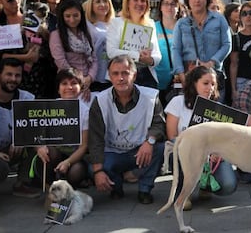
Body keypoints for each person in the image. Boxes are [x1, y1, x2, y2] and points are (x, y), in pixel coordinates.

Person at [88, 55, 165, 203]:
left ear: (134, 75)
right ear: (109, 76)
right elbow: (95, 139)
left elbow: (159, 125)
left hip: (140, 151)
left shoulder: (150, 96)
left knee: (159, 147)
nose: (120, 78)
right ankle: (116, 186)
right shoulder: (100, 100)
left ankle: (145, 189)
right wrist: (98, 171)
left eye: (125, 73)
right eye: (115, 74)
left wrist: (149, 141)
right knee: (93, 169)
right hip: (112, 152)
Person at [165, 66, 237, 210]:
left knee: (228, 185)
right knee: (175, 146)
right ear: (193, 84)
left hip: (210, 156)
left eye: (213, 84)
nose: (210, 88)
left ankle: (205, 185)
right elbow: (172, 136)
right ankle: (183, 192)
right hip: (185, 151)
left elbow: (222, 140)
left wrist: (218, 152)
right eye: (206, 83)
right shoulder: (178, 102)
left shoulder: (217, 108)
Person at [172, 0, 231, 103]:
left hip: (214, 76)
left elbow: (227, 45)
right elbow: (176, 49)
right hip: (190, 77)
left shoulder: (219, 19)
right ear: (187, 0)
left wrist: (211, 62)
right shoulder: (181, 24)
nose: (196, 0)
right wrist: (181, 74)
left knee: (213, 115)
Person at [0, 58, 40, 198]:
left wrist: (22, 139)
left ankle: (22, 184)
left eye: (17, 75)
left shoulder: (28, 98)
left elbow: (35, 127)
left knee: (38, 142)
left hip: (13, 151)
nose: (13, 79)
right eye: (9, 74)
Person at [34, 68, 90, 188]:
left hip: (74, 156)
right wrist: (39, 147)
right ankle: (49, 184)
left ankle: (68, 188)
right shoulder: (49, 108)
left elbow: (84, 146)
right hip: (55, 154)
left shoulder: (85, 112)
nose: (69, 87)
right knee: (50, 153)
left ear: (80, 88)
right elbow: (37, 136)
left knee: (77, 172)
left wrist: (68, 162)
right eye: (64, 83)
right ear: (58, 89)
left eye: (74, 83)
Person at [106, 0, 161, 89]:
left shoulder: (150, 24)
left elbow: (157, 55)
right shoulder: (116, 23)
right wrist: (137, 55)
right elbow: (111, 52)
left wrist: (150, 60)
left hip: (146, 77)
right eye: (135, 0)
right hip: (122, 76)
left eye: (143, 0)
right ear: (128, 3)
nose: (140, 3)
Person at [49, 0, 97, 103]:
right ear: (62, 16)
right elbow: (61, 62)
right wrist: (79, 82)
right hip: (69, 84)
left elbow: (94, 59)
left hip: (88, 83)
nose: (72, 19)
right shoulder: (56, 35)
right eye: (68, 16)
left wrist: (89, 78)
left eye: (76, 15)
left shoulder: (87, 33)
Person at [0, 0, 40, 85]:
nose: (16, 3)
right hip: (8, 82)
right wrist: (26, 57)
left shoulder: (33, 18)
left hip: (35, 79)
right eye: (10, 0)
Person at [84, 0, 115, 92]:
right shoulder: (86, 25)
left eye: (105, 1)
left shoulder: (116, 24)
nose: (102, 4)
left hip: (114, 79)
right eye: (98, 1)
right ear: (91, 5)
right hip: (93, 79)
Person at [154, 0, 182, 106]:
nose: (169, 7)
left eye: (173, 4)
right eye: (166, 3)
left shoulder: (184, 27)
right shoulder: (153, 27)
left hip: (180, 80)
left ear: (178, 7)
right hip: (158, 80)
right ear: (160, 7)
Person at [223, 2, 241, 106]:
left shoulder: (241, 31)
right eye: (236, 11)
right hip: (227, 72)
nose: (239, 13)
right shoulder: (225, 30)